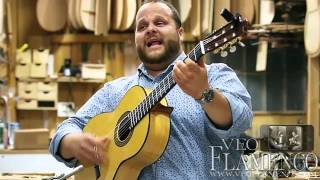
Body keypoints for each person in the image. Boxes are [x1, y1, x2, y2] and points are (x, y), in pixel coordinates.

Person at [49, 0, 253, 179]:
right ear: (136, 38)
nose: (150, 29)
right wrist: (72, 142)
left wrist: (204, 93)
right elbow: (66, 129)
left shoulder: (215, 75)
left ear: (180, 33)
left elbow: (241, 119)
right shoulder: (114, 91)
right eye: (142, 26)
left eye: (160, 23)